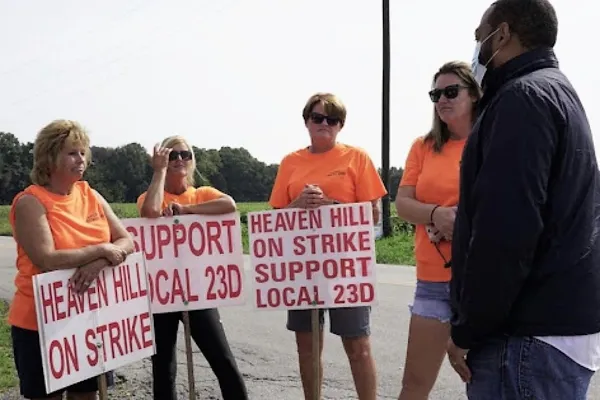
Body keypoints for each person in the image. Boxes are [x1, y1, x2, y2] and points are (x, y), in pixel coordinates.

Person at [447, 1, 600, 399]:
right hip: (554, 336)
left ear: (502, 34)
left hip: (523, 342)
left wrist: (469, 329)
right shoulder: (558, 91)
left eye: (480, 35)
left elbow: (506, 232)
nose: (477, 47)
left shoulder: (522, 99)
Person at [269, 92, 387, 400]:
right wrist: (296, 205)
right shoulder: (290, 162)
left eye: (332, 119)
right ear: (306, 121)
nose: (324, 124)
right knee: (307, 348)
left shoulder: (356, 157)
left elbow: (373, 214)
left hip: (346, 264)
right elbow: (275, 218)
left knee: (358, 346)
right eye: (317, 118)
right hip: (302, 265)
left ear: (341, 125)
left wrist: (330, 204)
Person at [8, 119, 134, 400]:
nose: (81, 159)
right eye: (72, 152)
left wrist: (100, 261)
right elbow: (46, 258)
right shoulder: (31, 202)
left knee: (88, 395)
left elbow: (127, 242)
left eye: (83, 152)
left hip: (90, 317)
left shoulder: (91, 194)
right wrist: (101, 249)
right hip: (39, 322)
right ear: (49, 157)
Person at [137, 135, 248, 400]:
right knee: (164, 368)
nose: (178, 160)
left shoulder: (202, 194)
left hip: (198, 291)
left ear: (191, 160)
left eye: (184, 155)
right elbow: (150, 211)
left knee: (222, 359)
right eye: (172, 155)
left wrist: (186, 210)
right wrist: (159, 171)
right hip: (163, 291)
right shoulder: (151, 193)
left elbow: (229, 205)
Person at [395, 61, 481, 400]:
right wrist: (435, 214)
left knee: (484, 383)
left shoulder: (491, 140)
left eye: (451, 91)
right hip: (433, 281)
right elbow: (403, 203)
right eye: (436, 94)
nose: (442, 99)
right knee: (414, 386)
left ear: (474, 95)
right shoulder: (424, 146)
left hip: (482, 278)